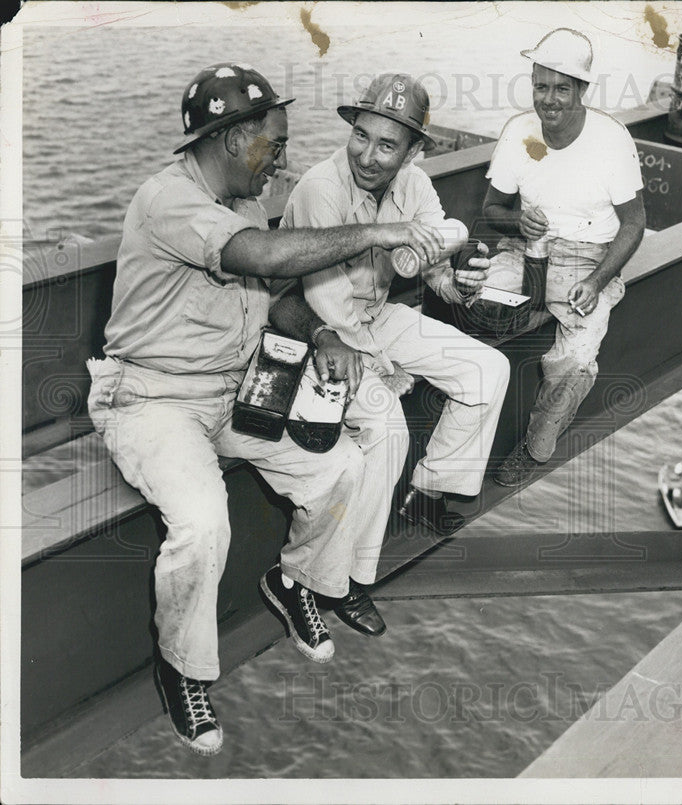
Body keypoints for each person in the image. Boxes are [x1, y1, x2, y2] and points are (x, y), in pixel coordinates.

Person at [87, 63, 445, 756]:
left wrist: (319, 334)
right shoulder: (169, 200)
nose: (280, 160)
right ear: (230, 140)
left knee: (341, 466)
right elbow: (260, 253)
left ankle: (294, 580)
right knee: (201, 523)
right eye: (272, 145)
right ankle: (183, 669)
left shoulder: (245, 196)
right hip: (153, 399)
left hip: (233, 385)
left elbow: (268, 292)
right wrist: (379, 233)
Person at [280, 73, 510, 537]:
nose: (366, 155)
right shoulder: (321, 188)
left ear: (411, 153)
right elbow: (328, 308)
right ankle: (348, 554)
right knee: (385, 417)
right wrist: (382, 365)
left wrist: (458, 285)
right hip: (312, 332)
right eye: (360, 135)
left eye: (387, 145)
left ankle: (424, 492)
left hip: (372, 318)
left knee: (489, 370)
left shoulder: (415, 185)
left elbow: (433, 271)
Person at [482, 29, 646, 486]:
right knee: (479, 302)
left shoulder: (611, 141)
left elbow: (634, 224)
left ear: (581, 91)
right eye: (540, 86)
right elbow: (491, 209)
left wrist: (597, 282)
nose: (548, 100)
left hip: (588, 259)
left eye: (561, 88)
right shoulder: (518, 132)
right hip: (527, 249)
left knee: (574, 361)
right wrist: (517, 224)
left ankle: (535, 446)